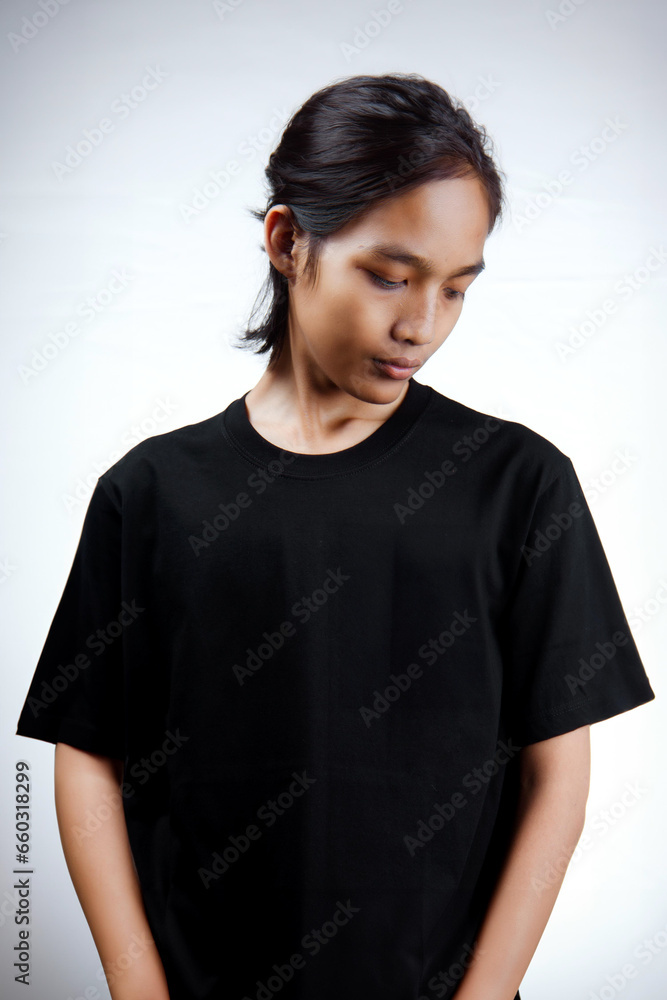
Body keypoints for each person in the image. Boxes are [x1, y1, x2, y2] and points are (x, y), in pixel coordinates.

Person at [15, 72, 655, 1000]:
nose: (420, 325)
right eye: (389, 277)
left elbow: (558, 778)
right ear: (287, 241)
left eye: (455, 290)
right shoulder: (153, 492)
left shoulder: (516, 483)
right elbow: (86, 755)